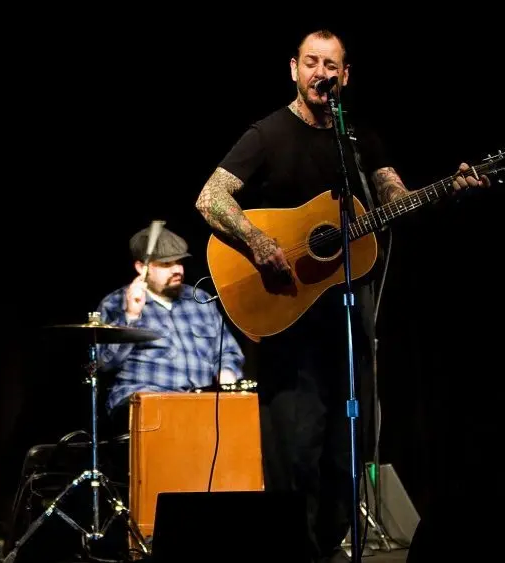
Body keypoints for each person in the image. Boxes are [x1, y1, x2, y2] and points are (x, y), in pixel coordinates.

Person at [193, 29, 491, 562]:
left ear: (345, 75)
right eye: (311, 62)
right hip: (288, 316)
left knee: (346, 454)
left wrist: (443, 191)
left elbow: (392, 195)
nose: (321, 74)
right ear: (293, 68)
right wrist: (259, 240)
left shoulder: (358, 140)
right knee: (296, 449)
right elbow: (210, 197)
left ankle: (328, 550)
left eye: (331, 65)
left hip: (349, 322)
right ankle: (289, 552)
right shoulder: (267, 134)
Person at [95, 225, 245, 428]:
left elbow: (228, 351)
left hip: (200, 401)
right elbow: (105, 364)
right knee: (171, 420)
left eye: (179, 262)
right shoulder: (115, 303)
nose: (177, 270)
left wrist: (227, 371)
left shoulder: (200, 300)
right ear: (142, 268)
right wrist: (131, 315)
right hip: (144, 402)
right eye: (166, 264)